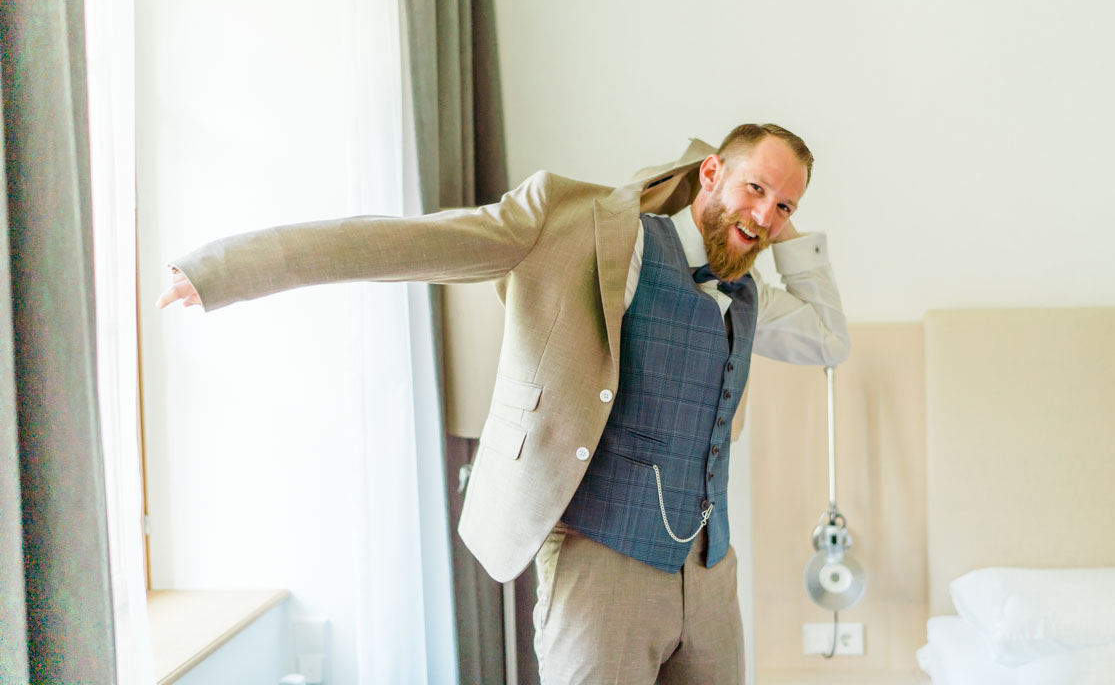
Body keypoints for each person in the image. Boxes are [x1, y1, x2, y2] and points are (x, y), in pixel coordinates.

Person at [158, 122, 850, 684]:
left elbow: (827, 339)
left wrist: (778, 236)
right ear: (710, 174)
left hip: (709, 578)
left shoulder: (751, 295)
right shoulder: (596, 231)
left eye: (784, 206)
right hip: (601, 564)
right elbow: (409, 243)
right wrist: (224, 270)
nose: (764, 215)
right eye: (755, 189)